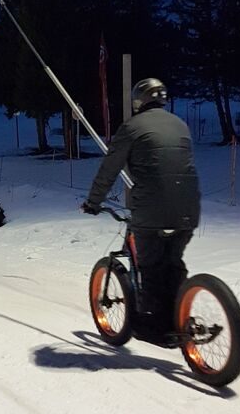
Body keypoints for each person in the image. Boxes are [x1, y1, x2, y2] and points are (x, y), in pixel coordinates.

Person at [82, 78, 201, 343]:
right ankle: (178, 317)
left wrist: (93, 201)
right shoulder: (180, 125)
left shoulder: (132, 127)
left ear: (138, 101)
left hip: (151, 211)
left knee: (150, 268)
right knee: (172, 263)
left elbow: (110, 168)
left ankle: (154, 328)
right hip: (188, 209)